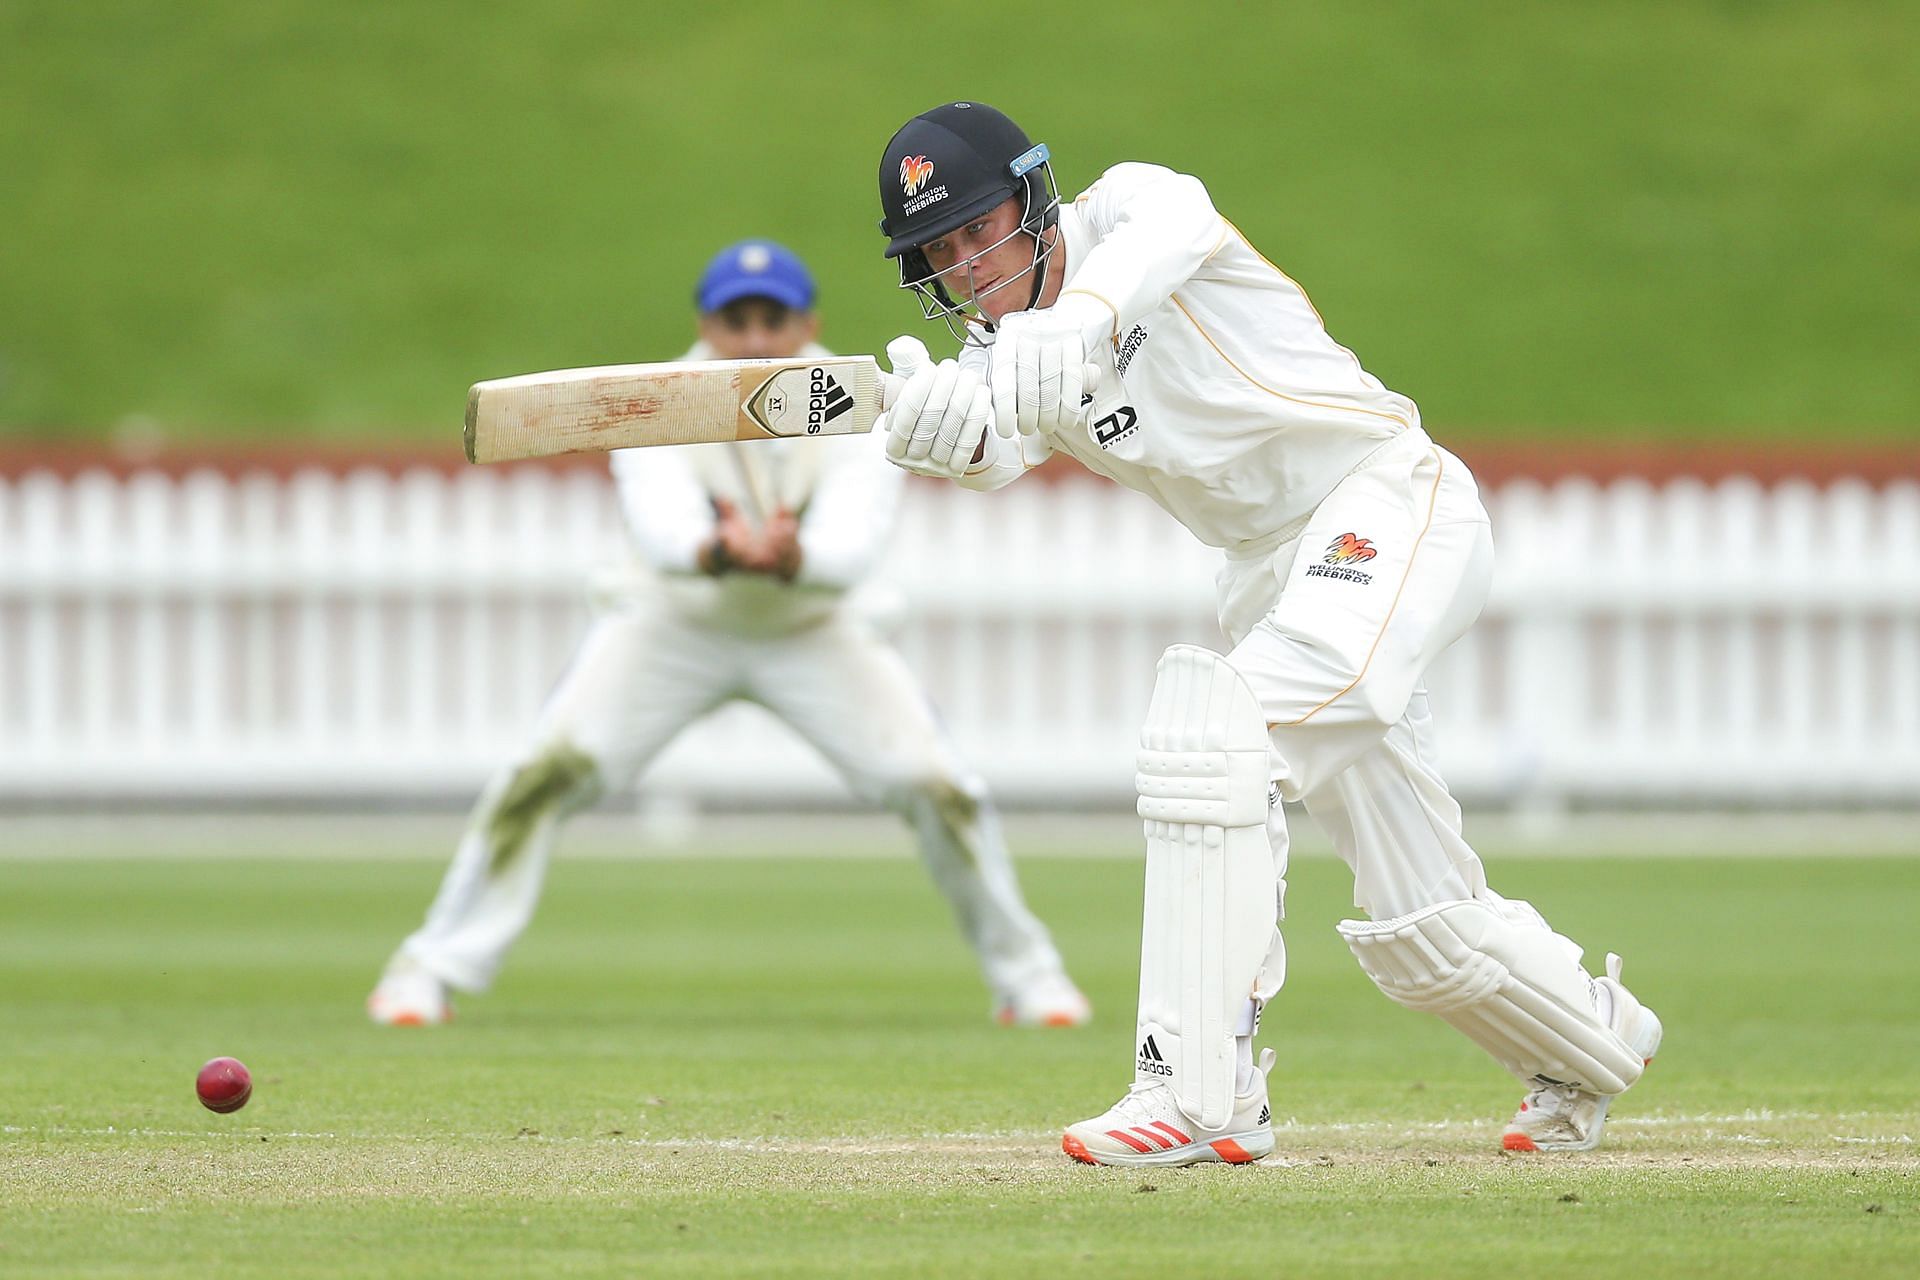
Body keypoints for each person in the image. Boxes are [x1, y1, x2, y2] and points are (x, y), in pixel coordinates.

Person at [870, 102, 1661, 1165]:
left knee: (1215, 736)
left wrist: (1080, 315)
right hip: (1269, 576)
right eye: (944, 251)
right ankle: (1591, 1040)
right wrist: (945, 433)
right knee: (1419, 917)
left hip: (1382, 496)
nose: (972, 265)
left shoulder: (1132, 210)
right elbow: (997, 444)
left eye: (983, 228)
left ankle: (1200, 1092)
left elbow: (1176, 225)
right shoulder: (1006, 356)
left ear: (1036, 198)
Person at [368, 239, 1090, 1031]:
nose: (753, 340)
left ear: (807, 323)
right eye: (734, 320)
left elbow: (854, 548)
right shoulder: (660, 398)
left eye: (772, 319)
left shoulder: (860, 399)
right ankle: (428, 969)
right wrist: (719, 549)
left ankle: (1029, 978)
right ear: (705, 326)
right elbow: (661, 531)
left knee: (938, 785)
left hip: (810, 622)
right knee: (549, 768)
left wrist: (794, 556)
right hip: (677, 621)